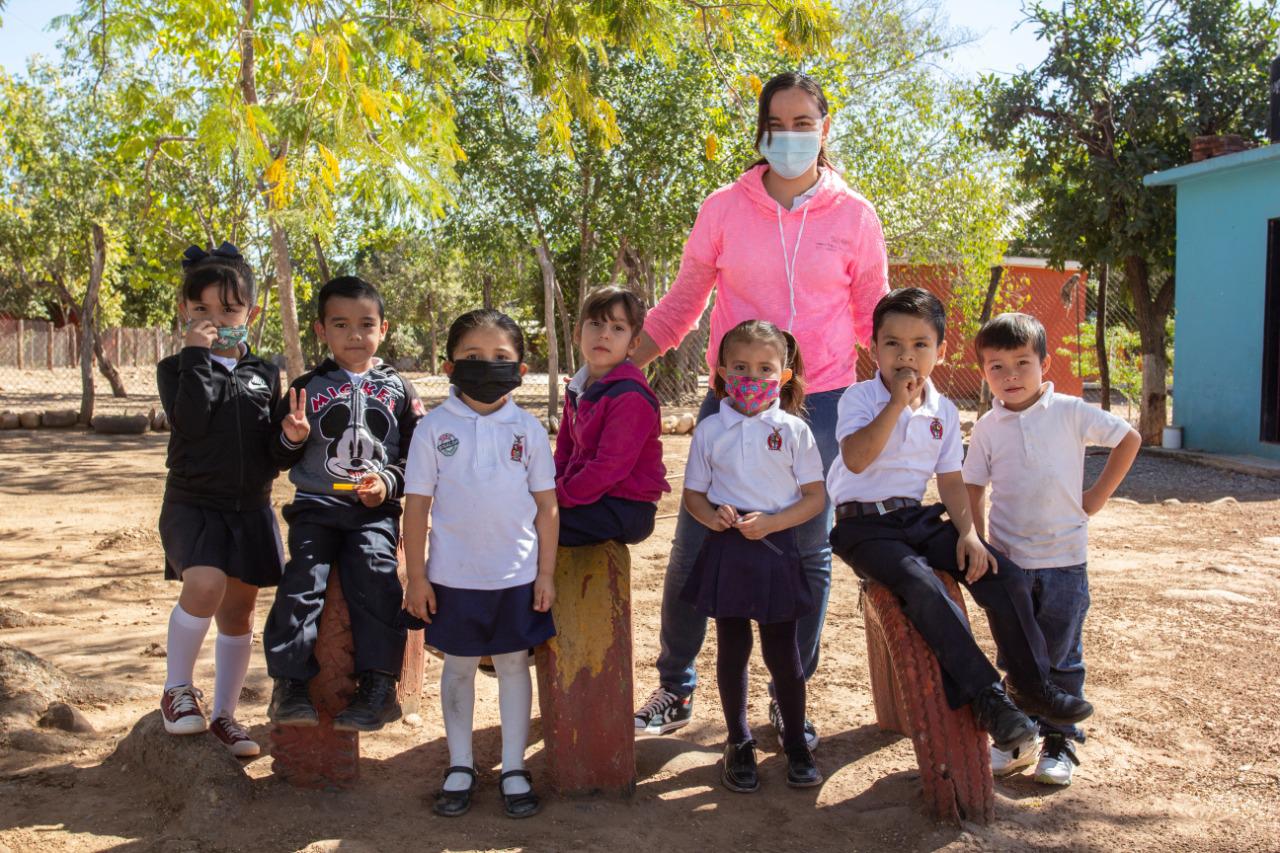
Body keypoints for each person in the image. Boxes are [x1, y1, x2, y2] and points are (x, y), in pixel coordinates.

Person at [631, 71, 889, 749]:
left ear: (825, 130)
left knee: (807, 545)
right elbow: (685, 299)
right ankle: (675, 683)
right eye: (781, 124)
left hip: (823, 401)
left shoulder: (856, 216)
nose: (794, 135)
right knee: (698, 538)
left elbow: (872, 316)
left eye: (808, 122)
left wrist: (906, 383)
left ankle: (789, 691)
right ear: (762, 132)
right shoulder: (724, 207)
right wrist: (625, 360)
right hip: (733, 399)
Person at [827, 288, 1096, 756]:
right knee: (923, 587)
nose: (905, 356)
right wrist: (895, 404)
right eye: (892, 344)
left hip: (915, 516)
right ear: (873, 349)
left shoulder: (944, 411)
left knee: (1000, 573)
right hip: (863, 526)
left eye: (920, 345)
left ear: (940, 351)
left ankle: (1031, 686)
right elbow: (855, 459)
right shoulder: (860, 398)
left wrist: (970, 534)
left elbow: (951, 480)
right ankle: (988, 699)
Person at [964, 312, 1141, 785]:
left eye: (1022, 362)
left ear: (1045, 364)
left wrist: (1096, 498)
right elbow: (973, 485)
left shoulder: (1070, 411)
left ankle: (1059, 743)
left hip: (1064, 561)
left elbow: (1129, 438)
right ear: (983, 372)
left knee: (1060, 654)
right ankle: (1018, 737)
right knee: (1017, 655)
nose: (1010, 376)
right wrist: (979, 540)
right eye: (996, 366)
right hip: (1009, 563)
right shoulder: (987, 427)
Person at [402, 309, 558, 820]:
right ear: (449, 367)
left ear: (521, 369)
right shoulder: (432, 429)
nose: (486, 366)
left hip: (516, 577)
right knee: (460, 669)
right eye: (472, 357)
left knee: (514, 666)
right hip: (452, 579)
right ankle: (461, 764)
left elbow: (546, 507)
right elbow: (417, 507)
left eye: (499, 358)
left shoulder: (530, 430)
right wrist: (418, 576)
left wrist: (546, 573)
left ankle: (513, 766)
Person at [264, 276, 424, 733]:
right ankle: (290, 685)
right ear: (321, 331)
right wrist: (290, 438)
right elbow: (275, 456)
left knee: (376, 579)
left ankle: (378, 687)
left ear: (384, 328)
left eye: (365, 324)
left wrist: (388, 483)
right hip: (315, 508)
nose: (355, 335)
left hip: (373, 512)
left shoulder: (399, 390)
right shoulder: (306, 388)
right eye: (341, 325)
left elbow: (417, 456)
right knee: (301, 583)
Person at [679, 320, 825, 792]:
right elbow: (694, 497)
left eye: (765, 368)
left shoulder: (795, 430)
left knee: (783, 652)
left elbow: (815, 498)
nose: (751, 377)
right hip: (727, 548)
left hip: (775, 547)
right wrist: (711, 518)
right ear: (721, 371)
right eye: (740, 367)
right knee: (732, 646)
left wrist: (772, 523)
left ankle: (796, 744)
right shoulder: (710, 429)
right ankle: (738, 741)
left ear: (783, 376)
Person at [156, 242, 282, 757]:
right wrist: (196, 356)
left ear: (250, 313)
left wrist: (291, 437)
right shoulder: (176, 368)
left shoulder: (266, 373)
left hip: (250, 507)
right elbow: (190, 422)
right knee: (203, 584)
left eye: (228, 309)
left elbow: (273, 452)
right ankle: (177, 690)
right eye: (201, 309)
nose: (215, 319)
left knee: (239, 613)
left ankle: (227, 717)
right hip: (192, 504)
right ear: (185, 312)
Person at [555, 286, 669, 547]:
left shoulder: (630, 396)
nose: (604, 335)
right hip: (592, 496)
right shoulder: (578, 388)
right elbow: (564, 450)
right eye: (595, 323)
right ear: (578, 332)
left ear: (633, 344)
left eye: (618, 328)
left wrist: (559, 497)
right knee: (527, 515)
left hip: (627, 506)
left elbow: (610, 467)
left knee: (539, 526)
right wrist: (549, 488)